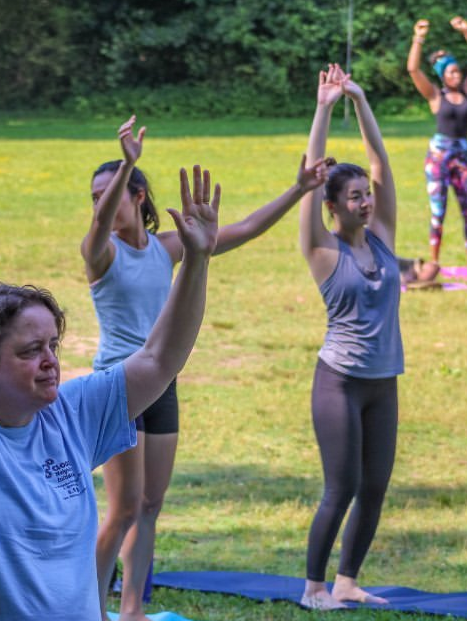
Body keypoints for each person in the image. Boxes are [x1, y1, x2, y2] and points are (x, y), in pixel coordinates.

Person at [0, 163, 218, 619]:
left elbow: (159, 359)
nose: (51, 360)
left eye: (53, 344)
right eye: (30, 351)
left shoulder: (72, 413)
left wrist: (197, 261)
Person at [85, 117, 325, 619]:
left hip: (162, 384)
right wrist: (127, 163)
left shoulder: (167, 248)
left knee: (150, 505)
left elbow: (243, 229)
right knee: (123, 508)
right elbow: (98, 228)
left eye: (111, 192)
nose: (101, 203)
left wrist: (298, 189)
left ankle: (130, 610)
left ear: (140, 197)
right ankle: (86, 606)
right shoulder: (100, 254)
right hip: (117, 388)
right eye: (94, 196)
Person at [299, 64, 402, 610]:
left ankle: (347, 580)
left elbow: (382, 162)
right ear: (333, 206)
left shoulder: (382, 238)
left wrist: (359, 100)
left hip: (384, 382)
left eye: (367, 194)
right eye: (355, 196)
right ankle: (314, 587)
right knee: (339, 488)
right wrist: (323, 108)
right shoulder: (322, 250)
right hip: (338, 382)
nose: (365, 201)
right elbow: (313, 173)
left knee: (375, 488)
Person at [407, 16, 467, 274]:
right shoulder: (434, 96)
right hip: (438, 158)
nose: (457, 74)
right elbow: (413, 70)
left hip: (461, 157)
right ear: (442, 75)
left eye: (457, 70)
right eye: (451, 71)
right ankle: (434, 263)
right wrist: (418, 38)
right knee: (438, 212)